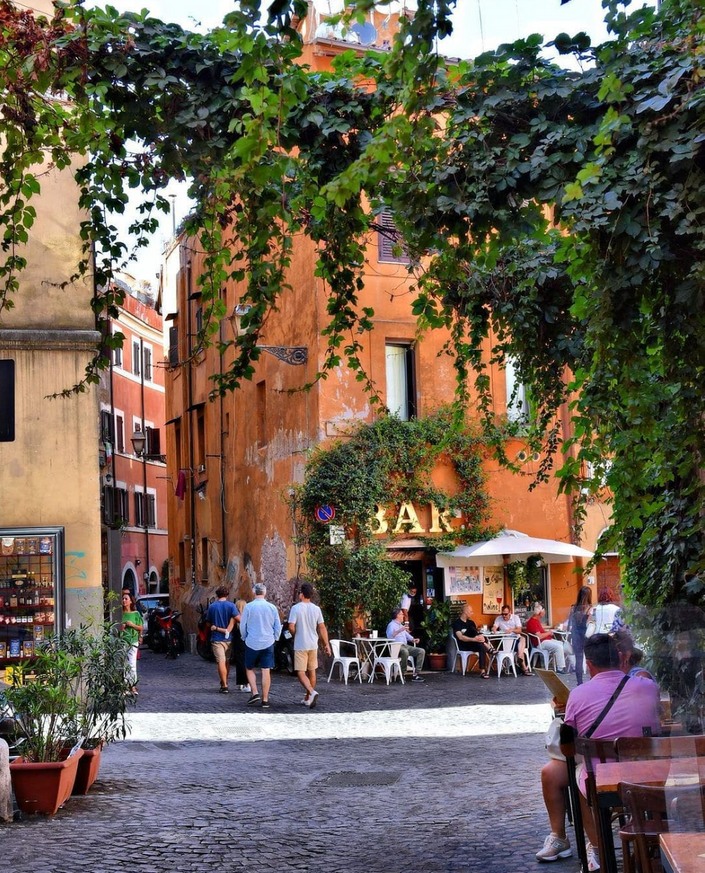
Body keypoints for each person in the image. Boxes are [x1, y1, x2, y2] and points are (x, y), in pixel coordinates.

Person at [535, 634, 660, 871]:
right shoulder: (648, 687)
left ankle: (598, 847)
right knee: (552, 772)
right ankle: (560, 838)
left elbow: (568, 748)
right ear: (622, 658)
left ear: (589, 664)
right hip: (643, 771)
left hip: (601, 776)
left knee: (580, 776)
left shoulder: (579, 695)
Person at [288, 582, 331, 708]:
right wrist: (326, 644)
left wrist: (295, 634)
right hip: (313, 643)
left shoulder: (296, 608)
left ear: (301, 594)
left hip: (301, 643)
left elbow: (291, 626)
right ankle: (308, 697)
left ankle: (311, 692)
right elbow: (322, 627)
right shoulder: (316, 609)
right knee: (312, 671)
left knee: (301, 672)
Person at [240, 582, 282, 709]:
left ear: (254, 592)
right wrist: (275, 637)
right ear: (265, 593)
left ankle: (255, 692)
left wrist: (244, 637)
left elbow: (243, 625)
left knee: (249, 667)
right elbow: (277, 625)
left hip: (252, 641)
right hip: (268, 641)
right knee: (266, 670)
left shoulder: (248, 607)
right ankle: (265, 699)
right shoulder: (272, 607)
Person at [206, 586, 239, 694]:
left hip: (216, 638)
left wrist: (214, 626)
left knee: (221, 661)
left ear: (217, 595)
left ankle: (224, 685)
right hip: (228, 638)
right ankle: (224, 681)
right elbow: (239, 619)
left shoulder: (212, 607)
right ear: (227, 595)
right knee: (227, 661)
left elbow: (207, 622)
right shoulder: (231, 606)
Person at [452, 602, 494, 679]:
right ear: (465, 612)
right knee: (473, 631)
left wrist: (478, 638)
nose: (472, 613)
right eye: (471, 611)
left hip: (473, 643)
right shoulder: (457, 623)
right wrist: (473, 639)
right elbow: (460, 637)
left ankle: (483, 671)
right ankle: (488, 647)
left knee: (481, 644)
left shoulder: (471, 622)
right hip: (463, 645)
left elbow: (476, 634)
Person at [386, 607, 426, 681]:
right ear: (397, 615)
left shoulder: (401, 625)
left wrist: (413, 639)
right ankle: (402, 674)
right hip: (396, 646)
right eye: (401, 614)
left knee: (421, 651)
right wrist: (399, 630)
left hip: (405, 645)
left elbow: (408, 636)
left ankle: (416, 674)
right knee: (405, 652)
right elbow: (390, 636)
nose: (403, 616)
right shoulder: (391, 625)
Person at [526, 603, 568, 673]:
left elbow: (541, 633)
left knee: (562, 644)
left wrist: (549, 632)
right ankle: (560, 668)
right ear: (539, 613)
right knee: (558, 647)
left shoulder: (536, 621)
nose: (544, 613)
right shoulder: (532, 622)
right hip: (540, 643)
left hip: (544, 641)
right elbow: (539, 636)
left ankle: (570, 665)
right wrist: (548, 633)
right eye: (543, 611)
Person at [492, 605, 531, 675]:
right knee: (521, 643)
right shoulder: (499, 618)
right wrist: (494, 629)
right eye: (502, 614)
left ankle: (520, 657)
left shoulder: (515, 618)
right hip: (504, 642)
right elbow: (495, 626)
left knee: (522, 639)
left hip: (515, 639)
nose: (504, 616)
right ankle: (524, 668)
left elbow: (519, 630)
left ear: (510, 612)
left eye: (506, 614)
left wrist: (512, 630)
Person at [568, 585, 593, 685]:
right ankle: (592, 680)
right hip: (586, 636)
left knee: (579, 659)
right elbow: (590, 624)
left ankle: (579, 682)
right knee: (590, 659)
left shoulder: (573, 608)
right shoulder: (590, 609)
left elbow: (570, 623)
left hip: (576, 635)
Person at [120, 590, 143, 695]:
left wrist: (132, 625)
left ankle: (133, 686)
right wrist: (123, 627)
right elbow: (117, 629)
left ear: (130, 602)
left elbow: (140, 627)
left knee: (132, 664)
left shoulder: (136, 614)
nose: (124, 601)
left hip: (133, 641)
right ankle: (125, 686)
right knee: (124, 664)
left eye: (126, 599)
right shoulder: (120, 614)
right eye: (123, 599)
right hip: (123, 641)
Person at [233, 598, 250, 692]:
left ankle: (241, 682)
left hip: (238, 642)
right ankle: (247, 682)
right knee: (247, 663)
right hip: (248, 642)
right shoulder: (248, 617)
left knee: (239, 662)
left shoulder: (235, 618)